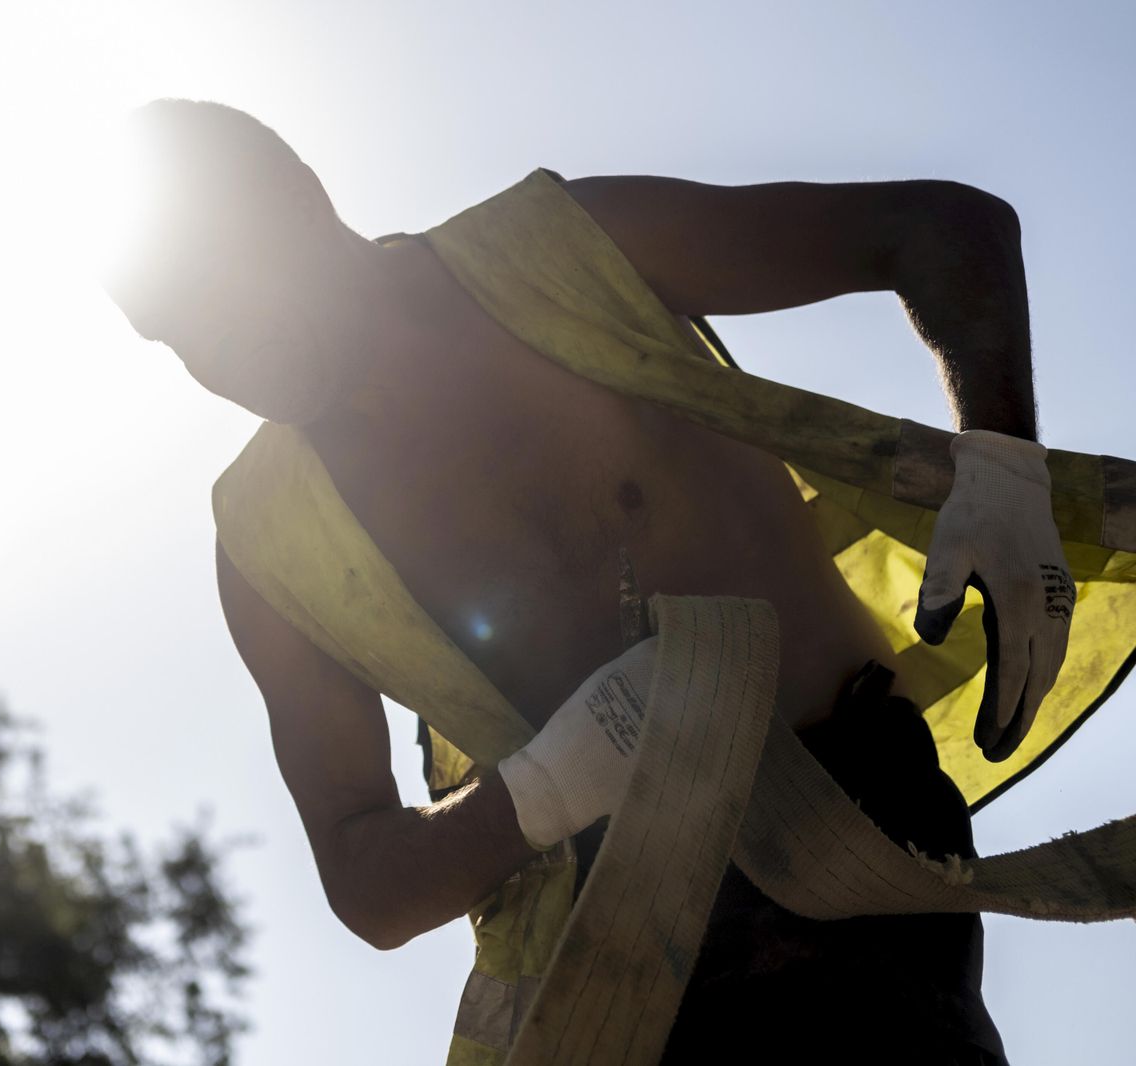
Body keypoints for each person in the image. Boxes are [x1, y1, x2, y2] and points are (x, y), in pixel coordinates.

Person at [98, 98, 1074, 1065]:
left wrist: (1003, 466)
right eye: (176, 334)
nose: (217, 350)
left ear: (298, 200)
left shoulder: (559, 250)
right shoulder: (265, 545)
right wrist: (552, 781)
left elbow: (942, 225)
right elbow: (367, 888)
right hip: (613, 944)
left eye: (215, 290)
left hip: (852, 819)